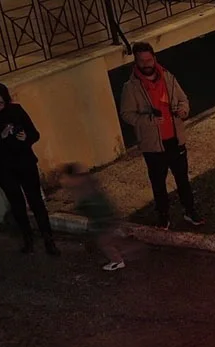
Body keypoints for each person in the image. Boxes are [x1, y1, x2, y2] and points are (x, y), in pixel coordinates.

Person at [119, 42, 203, 230]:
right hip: (153, 145)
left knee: (182, 179)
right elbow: (126, 114)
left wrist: (183, 110)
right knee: (158, 183)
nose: (146, 64)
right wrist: (148, 120)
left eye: (148, 59)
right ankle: (163, 216)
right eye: (142, 61)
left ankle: (190, 211)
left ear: (154, 58)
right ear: (136, 61)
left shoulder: (168, 77)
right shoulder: (131, 87)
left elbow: (183, 99)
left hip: (175, 139)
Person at [0, 82, 57, 255]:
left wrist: (25, 137)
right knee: (17, 203)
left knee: (36, 201)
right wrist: (0, 136)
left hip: (24, 162)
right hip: (2, 166)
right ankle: (28, 238)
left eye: (1, 103)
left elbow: (35, 134)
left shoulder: (16, 110)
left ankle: (48, 238)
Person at [59, 163, 126, 271]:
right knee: (104, 240)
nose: (63, 181)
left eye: (65, 177)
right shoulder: (84, 183)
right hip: (101, 218)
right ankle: (117, 251)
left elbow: (90, 205)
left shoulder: (83, 187)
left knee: (104, 242)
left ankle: (118, 261)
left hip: (102, 218)